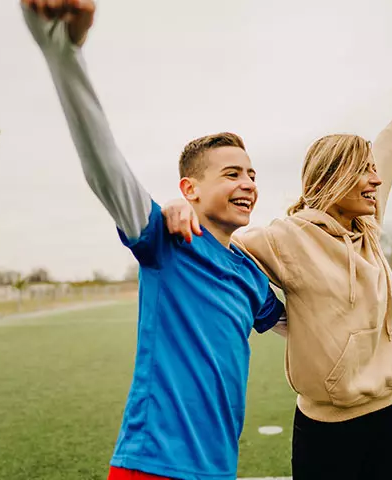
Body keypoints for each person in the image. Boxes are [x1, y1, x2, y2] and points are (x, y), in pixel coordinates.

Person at [19, 2, 285, 479]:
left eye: (251, 174)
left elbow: (300, 323)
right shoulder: (167, 237)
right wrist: (62, 54)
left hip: (220, 469)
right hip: (152, 467)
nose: (247, 183)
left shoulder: (250, 274)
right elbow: (105, 166)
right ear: (190, 188)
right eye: (231, 173)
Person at [165, 79, 392, 479]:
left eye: (374, 172)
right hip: (325, 432)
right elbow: (220, 243)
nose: (375, 181)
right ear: (332, 179)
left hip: (383, 418)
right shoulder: (288, 238)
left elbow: (387, 160)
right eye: (363, 172)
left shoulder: (367, 228)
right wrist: (181, 212)